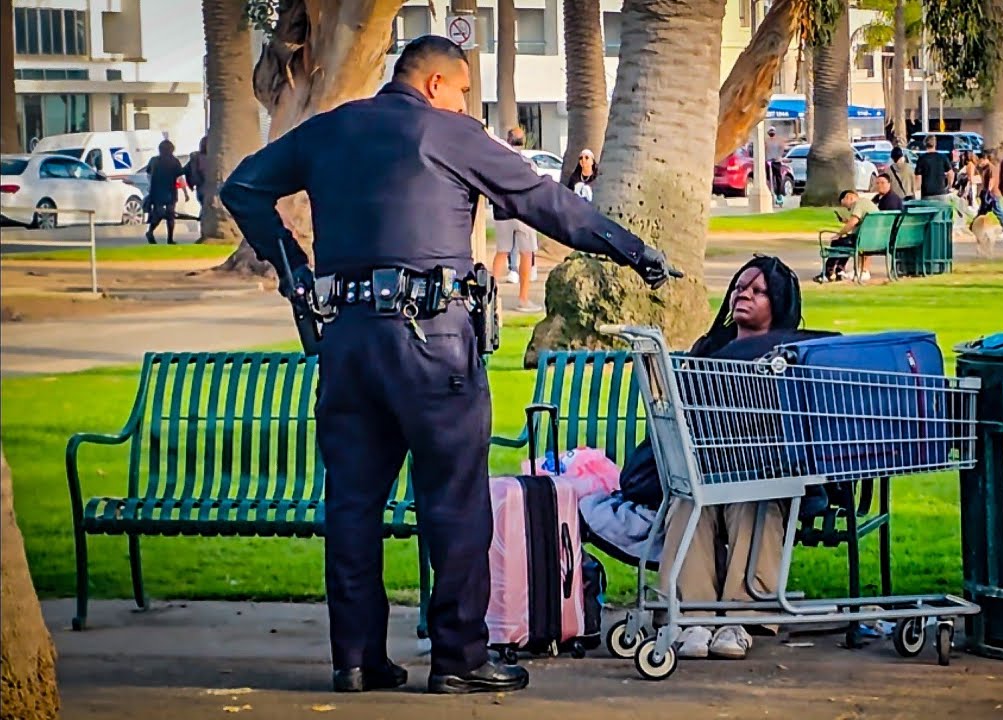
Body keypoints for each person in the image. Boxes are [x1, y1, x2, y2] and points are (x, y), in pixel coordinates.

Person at [219, 35, 677, 696]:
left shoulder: (330, 130)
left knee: (352, 505)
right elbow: (547, 203)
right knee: (454, 503)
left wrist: (296, 273)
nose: (466, 105)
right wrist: (633, 250)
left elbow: (243, 189)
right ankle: (459, 658)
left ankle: (355, 658)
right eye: (463, 92)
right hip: (433, 344)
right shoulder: (448, 134)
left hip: (347, 341)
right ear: (437, 85)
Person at [657, 256, 812, 660]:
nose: (744, 294)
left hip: (763, 471)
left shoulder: (790, 356)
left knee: (752, 504)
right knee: (688, 502)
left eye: (758, 290)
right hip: (708, 470)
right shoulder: (709, 349)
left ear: (777, 303)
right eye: (740, 287)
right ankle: (693, 618)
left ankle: (737, 620)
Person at [492, 127, 540, 311]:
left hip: (502, 212)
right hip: (523, 213)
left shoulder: (498, 163)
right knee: (526, 254)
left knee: (501, 252)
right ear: (523, 141)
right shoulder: (528, 163)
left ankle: (491, 297)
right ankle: (523, 299)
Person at [815, 189, 879, 283]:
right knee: (845, 241)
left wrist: (839, 234)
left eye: (847, 206)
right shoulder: (868, 203)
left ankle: (828, 273)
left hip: (863, 240)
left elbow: (853, 222)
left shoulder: (859, 203)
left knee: (837, 241)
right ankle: (840, 270)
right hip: (876, 239)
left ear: (849, 197)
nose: (849, 209)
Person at [144, 140, 185, 245]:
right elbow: (180, 177)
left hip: (160, 191)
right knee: (165, 214)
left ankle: (168, 238)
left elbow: (148, 174)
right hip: (167, 191)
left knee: (164, 214)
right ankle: (156, 234)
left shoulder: (155, 160)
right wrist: (185, 192)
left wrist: (150, 186)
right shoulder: (173, 161)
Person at [913, 135, 953, 201]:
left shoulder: (922, 159)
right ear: (935, 144)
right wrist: (949, 186)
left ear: (925, 144)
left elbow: (918, 178)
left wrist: (917, 190)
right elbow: (951, 173)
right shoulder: (943, 157)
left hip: (927, 194)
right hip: (941, 193)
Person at [184, 136, 209, 219]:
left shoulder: (196, 157)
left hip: (200, 185)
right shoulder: (212, 157)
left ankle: (203, 219)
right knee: (207, 205)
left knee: (205, 205)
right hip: (205, 185)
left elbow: (186, 170)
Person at [764, 127, 788, 206]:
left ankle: (779, 195)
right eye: (770, 132)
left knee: (778, 179)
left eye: (772, 131)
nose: (771, 133)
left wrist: (779, 156)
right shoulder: (766, 141)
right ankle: (769, 193)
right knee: (769, 178)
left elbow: (782, 149)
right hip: (768, 162)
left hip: (777, 161)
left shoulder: (779, 141)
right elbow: (764, 150)